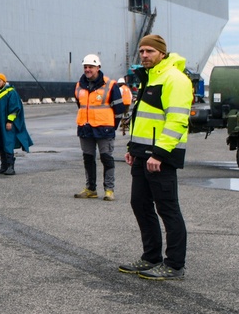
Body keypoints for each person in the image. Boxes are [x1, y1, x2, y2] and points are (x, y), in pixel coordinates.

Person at [119, 34, 191, 280]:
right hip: (143, 155)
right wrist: (132, 148)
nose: (145, 55)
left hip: (161, 157)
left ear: (162, 52)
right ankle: (151, 257)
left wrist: (159, 154)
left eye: (149, 51)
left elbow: (178, 120)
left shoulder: (174, 79)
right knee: (139, 204)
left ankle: (174, 265)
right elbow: (143, 119)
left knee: (168, 209)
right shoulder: (150, 78)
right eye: (141, 51)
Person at [73, 54, 130, 201]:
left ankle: (109, 190)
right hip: (85, 128)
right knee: (88, 158)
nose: (87, 69)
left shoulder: (110, 85)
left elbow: (119, 110)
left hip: (104, 129)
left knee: (106, 158)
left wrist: (112, 127)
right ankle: (91, 189)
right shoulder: (79, 85)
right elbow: (81, 105)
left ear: (98, 67)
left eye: (90, 67)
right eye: (85, 67)